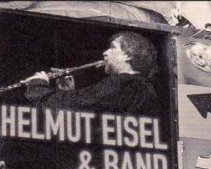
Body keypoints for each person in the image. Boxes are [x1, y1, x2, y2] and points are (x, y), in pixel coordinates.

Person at [25, 30, 159, 116]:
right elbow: (85, 119)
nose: (105, 53)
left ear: (128, 55)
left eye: (113, 48)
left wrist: (38, 85)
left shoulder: (121, 83)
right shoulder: (145, 87)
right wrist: (68, 92)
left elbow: (55, 108)